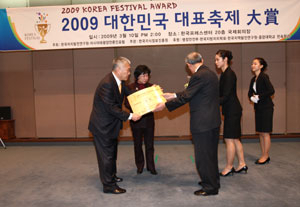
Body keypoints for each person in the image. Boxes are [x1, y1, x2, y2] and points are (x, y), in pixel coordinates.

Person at [154, 52, 221, 196]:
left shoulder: (198, 76)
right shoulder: (209, 73)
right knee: (210, 154)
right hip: (212, 121)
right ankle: (213, 181)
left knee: (203, 156)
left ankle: (210, 187)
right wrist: (172, 95)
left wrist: (165, 104)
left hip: (203, 123)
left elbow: (187, 96)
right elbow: (192, 92)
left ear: (189, 65)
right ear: (202, 60)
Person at [88, 57, 141, 194]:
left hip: (111, 125)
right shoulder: (107, 83)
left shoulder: (119, 82)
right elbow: (111, 107)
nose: (129, 73)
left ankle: (111, 176)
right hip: (102, 127)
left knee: (112, 153)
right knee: (106, 156)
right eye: (128, 70)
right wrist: (130, 116)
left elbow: (132, 94)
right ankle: (108, 186)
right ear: (118, 69)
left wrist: (152, 95)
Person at [215, 50, 247, 176]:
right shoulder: (225, 74)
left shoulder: (229, 74)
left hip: (232, 110)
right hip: (232, 109)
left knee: (229, 139)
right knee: (235, 139)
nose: (216, 62)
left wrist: (212, 102)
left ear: (225, 59)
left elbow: (226, 96)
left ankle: (229, 167)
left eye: (218, 59)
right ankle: (242, 164)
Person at [125, 65, 157, 175]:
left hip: (149, 120)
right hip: (136, 121)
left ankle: (151, 166)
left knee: (150, 145)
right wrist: (137, 106)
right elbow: (126, 103)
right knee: (137, 144)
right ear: (137, 76)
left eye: (147, 75)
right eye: (143, 75)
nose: (145, 78)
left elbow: (157, 103)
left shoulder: (152, 87)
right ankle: (140, 166)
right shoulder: (130, 87)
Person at [248, 57, 275, 165]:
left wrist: (259, 96)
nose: (252, 65)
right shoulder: (253, 79)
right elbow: (250, 92)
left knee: (265, 132)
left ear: (261, 66)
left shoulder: (264, 77)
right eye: (252, 63)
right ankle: (263, 154)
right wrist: (251, 97)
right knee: (260, 132)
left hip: (266, 108)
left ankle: (266, 155)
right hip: (258, 108)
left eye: (255, 63)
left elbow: (271, 91)